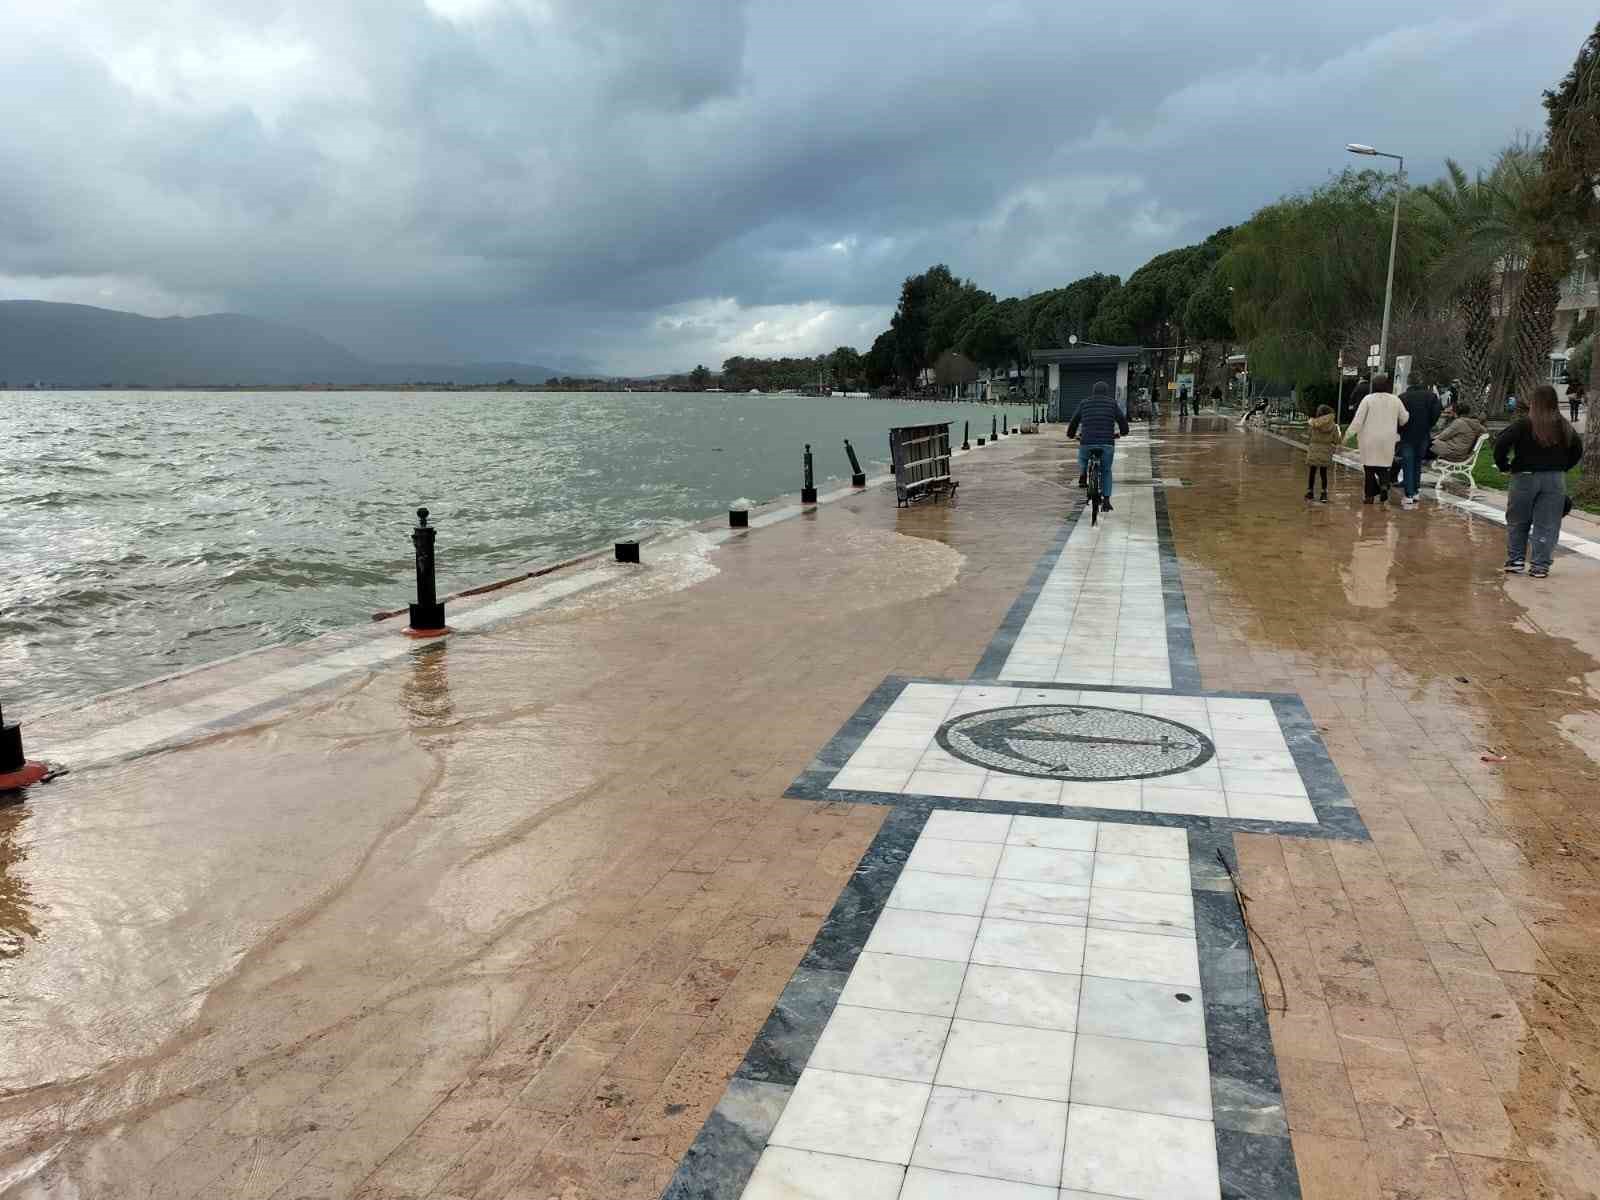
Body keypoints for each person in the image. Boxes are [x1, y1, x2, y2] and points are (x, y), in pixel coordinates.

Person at [1495, 383, 1583, 577]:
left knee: (1518, 520)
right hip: (1554, 479)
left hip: (1524, 478)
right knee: (1548, 522)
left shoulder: (1523, 424)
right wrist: (1562, 467)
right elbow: (1578, 450)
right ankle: (1540, 566)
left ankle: (1516, 560)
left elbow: (1501, 443)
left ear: (1534, 402)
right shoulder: (1564, 426)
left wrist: (1504, 466)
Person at [1068, 380, 1130, 511]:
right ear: (1106, 392)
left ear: (1093, 391)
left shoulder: (1084, 403)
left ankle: (1083, 472)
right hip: (1107, 443)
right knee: (1106, 470)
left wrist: (1070, 434)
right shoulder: (1112, 404)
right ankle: (1106, 500)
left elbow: (1074, 420)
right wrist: (1123, 432)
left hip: (1087, 442)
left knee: (1082, 456)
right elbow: (1122, 420)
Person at [1347, 373, 1408, 505]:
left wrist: (1347, 434)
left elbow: (1358, 421)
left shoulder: (1368, 399)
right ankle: (1384, 485)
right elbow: (1404, 418)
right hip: (1388, 438)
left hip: (1368, 438)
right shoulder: (1395, 400)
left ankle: (1369, 496)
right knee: (1384, 466)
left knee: (1369, 468)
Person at [1396, 374, 1443, 508]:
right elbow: (1436, 412)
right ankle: (1416, 491)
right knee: (1417, 463)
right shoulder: (1431, 397)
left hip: (1407, 434)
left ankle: (1409, 494)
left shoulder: (1403, 397)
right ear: (1421, 381)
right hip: (1423, 434)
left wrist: (1399, 430)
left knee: (1407, 464)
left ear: (1409, 382)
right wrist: (1428, 424)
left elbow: (1398, 416)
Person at [1304, 404, 1339, 502]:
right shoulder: (1333, 426)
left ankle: (1310, 492)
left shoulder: (1313, 424)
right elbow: (1336, 440)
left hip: (1314, 450)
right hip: (1326, 451)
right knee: (1323, 473)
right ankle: (1323, 493)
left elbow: (1309, 434)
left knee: (1312, 471)